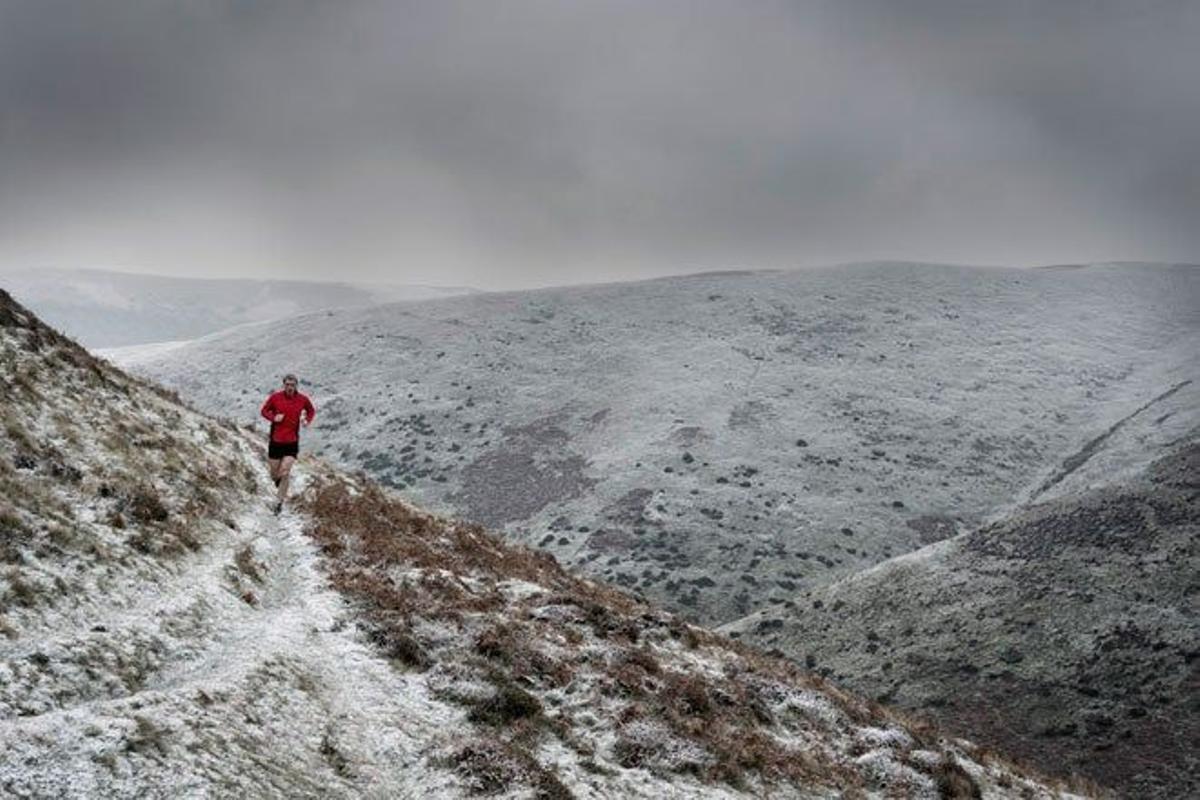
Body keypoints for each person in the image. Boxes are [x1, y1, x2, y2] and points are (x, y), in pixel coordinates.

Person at [260, 373, 316, 515]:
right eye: (287, 385)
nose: (290, 387)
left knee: (285, 471)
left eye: (292, 385)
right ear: (283, 385)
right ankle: (278, 482)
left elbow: (311, 410)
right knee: (275, 474)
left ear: (296, 385)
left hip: (292, 442)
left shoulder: (302, 399)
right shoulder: (275, 397)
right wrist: (274, 418)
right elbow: (264, 411)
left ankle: (279, 503)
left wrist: (306, 421)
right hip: (276, 441)